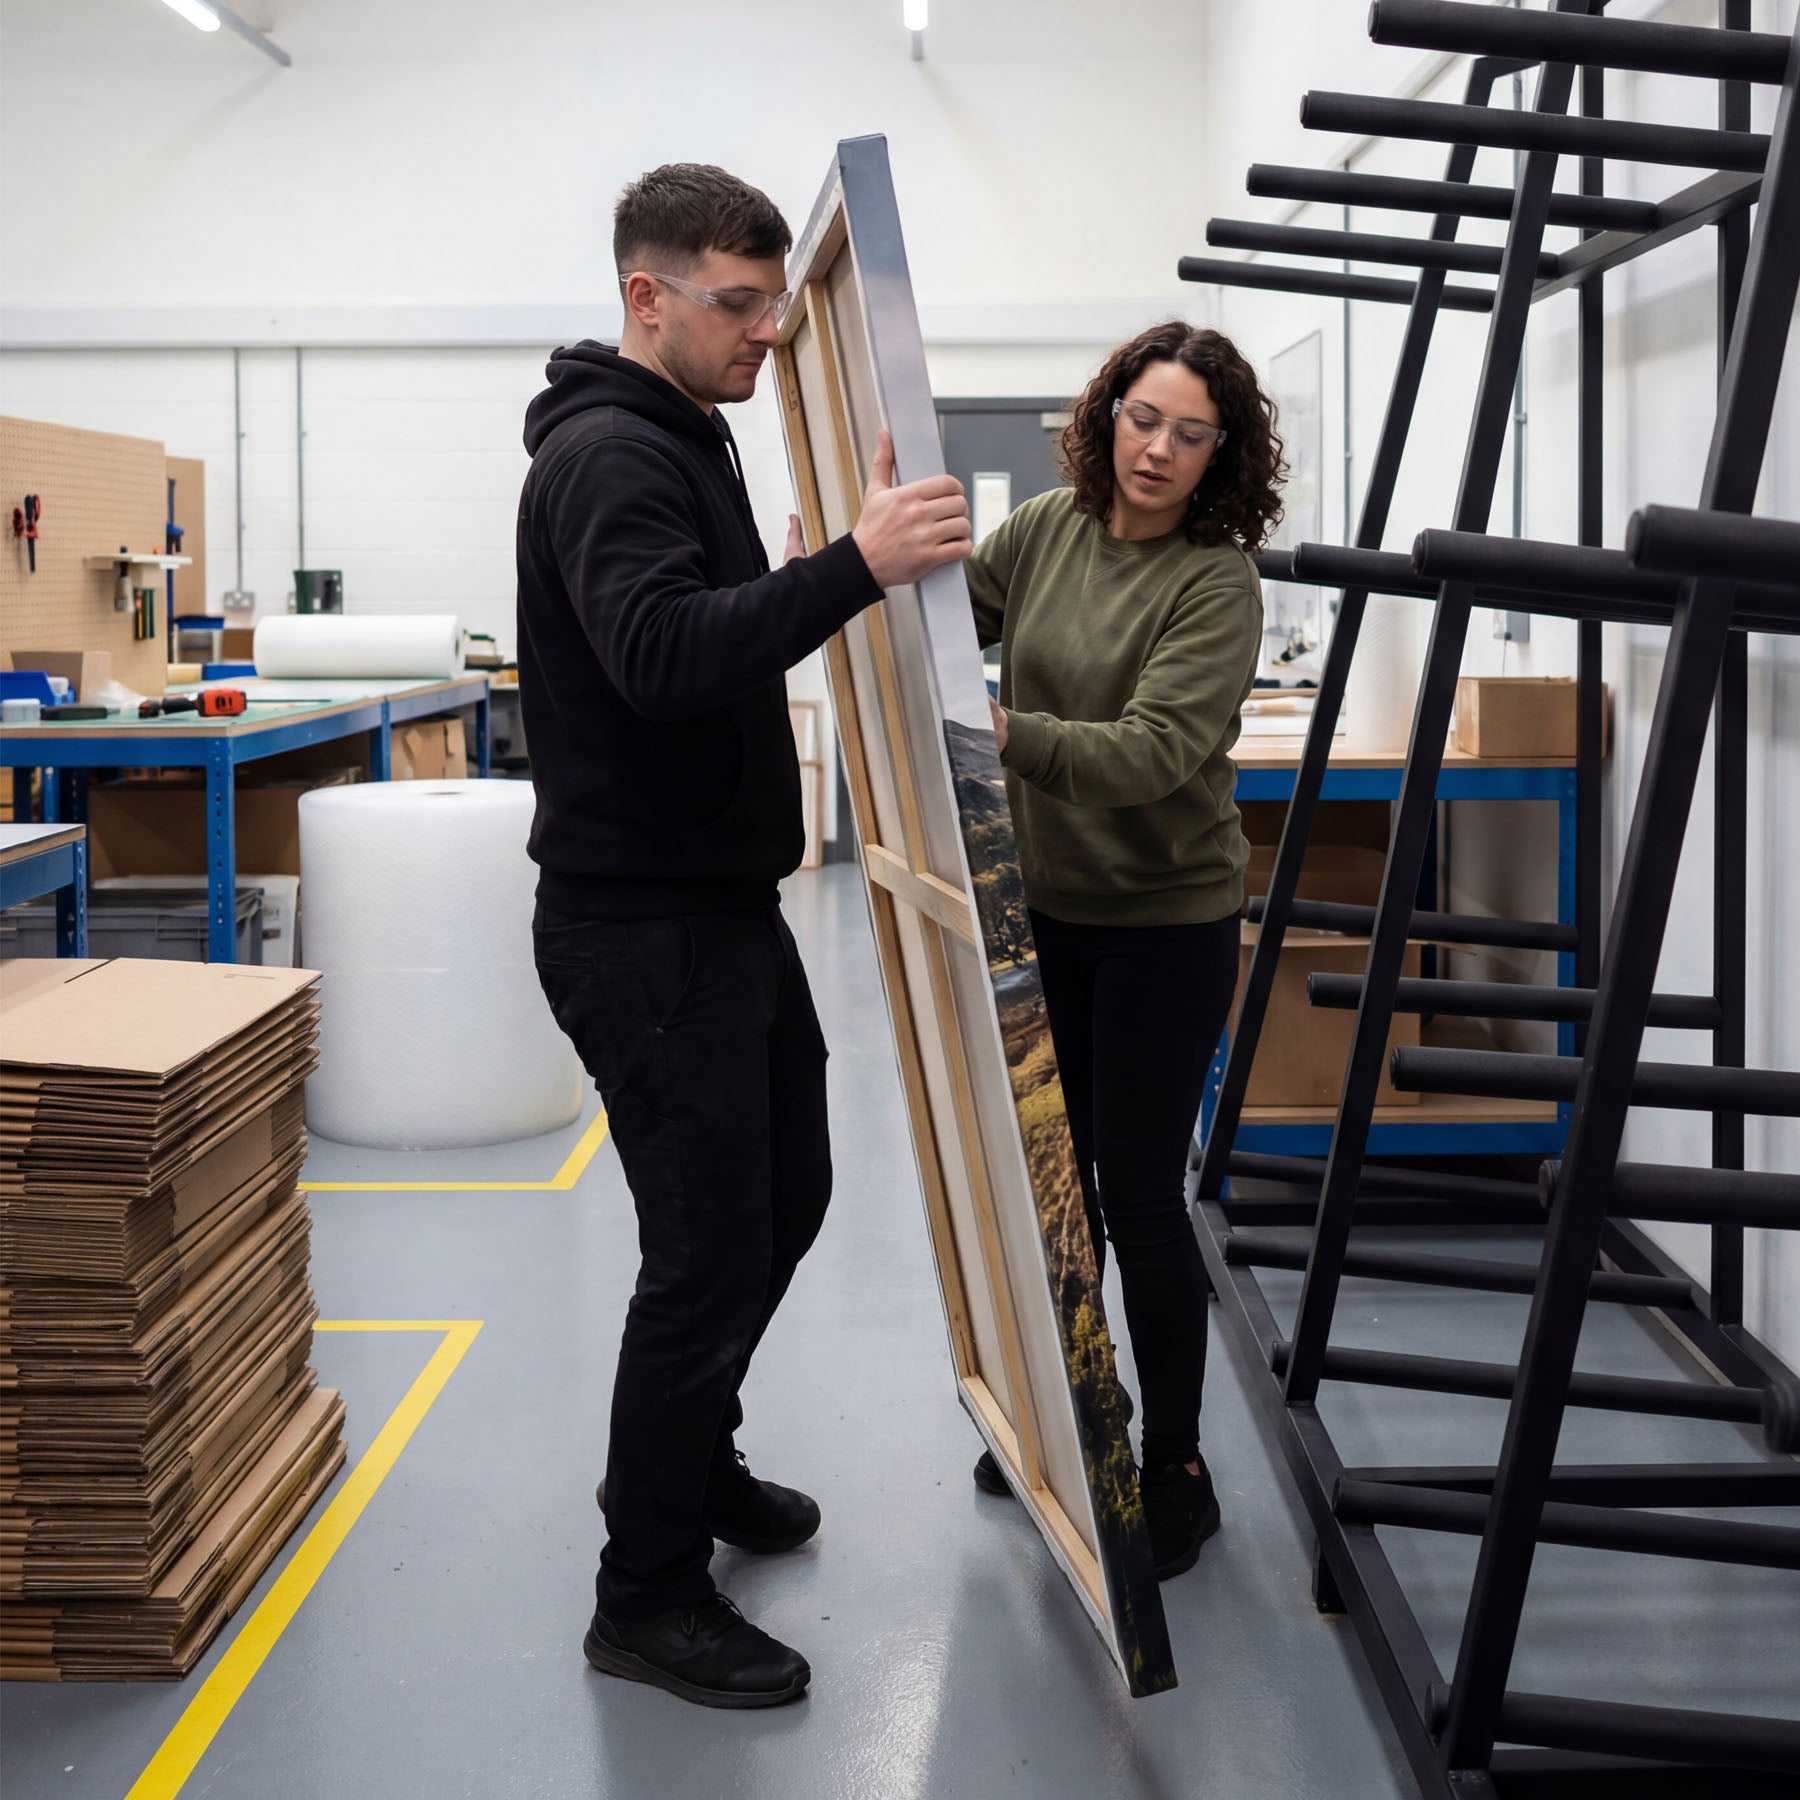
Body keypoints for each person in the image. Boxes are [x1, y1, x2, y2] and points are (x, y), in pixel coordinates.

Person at [517, 162, 970, 1708]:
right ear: (645, 296)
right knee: (706, 1251)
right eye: (738, 304)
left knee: (787, 1194)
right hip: (641, 930)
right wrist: (850, 569)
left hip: (715, 906)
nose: (768, 335)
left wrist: (792, 571)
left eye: (777, 305)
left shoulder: (685, 436)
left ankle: (688, 1462)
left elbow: (698, 625)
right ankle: (642, 1595)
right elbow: (654, 656)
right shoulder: (607, 458)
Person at [964, 320, 1283, 1579]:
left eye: (1190, 434)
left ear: (1221, 455)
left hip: (1164, 924)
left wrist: (1007, 735)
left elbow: (1155, 753)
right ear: (1108, 418)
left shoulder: (1218, 581)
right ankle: (1080, 1415)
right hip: (1047, 912)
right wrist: (849, 560)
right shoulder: (1045, 531)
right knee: (1056, 1182)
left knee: (1137, 1192)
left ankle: (1178, 1471)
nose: (1157, 449)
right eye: (1143, 419)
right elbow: (948, 608)